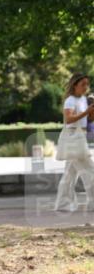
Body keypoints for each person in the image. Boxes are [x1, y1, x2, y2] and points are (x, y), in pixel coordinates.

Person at [54, 73, 94, 212]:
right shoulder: (70, 100)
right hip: (73, 136)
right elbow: (69, 119)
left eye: (87, 84)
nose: (85, 87)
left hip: (79, 135)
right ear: (75, 85)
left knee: (70, 174)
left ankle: (63, 204)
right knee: (89, 170)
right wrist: (87, 111)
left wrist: (91, 113)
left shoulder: (83, 99)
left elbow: (87, 120)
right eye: (83, 84)